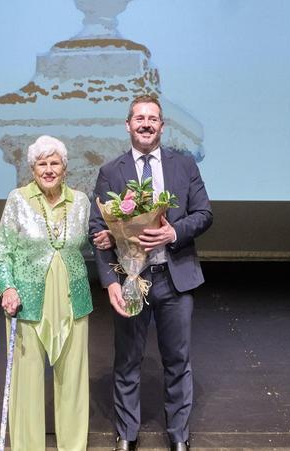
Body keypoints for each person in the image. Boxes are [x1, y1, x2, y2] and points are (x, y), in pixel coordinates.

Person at [91, 95, 213, 451]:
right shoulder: (111, 172)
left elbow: (204, 214)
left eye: (153, 118)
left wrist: (173, 233)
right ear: (128, 125)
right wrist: (110, 282)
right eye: (139, 118)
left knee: (177, 360)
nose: (146, 123)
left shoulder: (185, 166)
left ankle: (178, 434)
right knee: (128, 359)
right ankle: (127, 434)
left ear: (162, 126)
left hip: (175, 279)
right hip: (132, 280)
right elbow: (98, 233)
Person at [0, 135, 93, 451]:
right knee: (26, 384)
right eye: (42, 164)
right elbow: (2, 249)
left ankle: (73, 446)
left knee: (73, 380)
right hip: (27, 300)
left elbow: (89, 244)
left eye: (54, 163)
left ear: (65, 168)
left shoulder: (81, 201)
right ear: (32, 169)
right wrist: (7, 287)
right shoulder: (18, 199)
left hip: (73, 298)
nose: (48, 169)